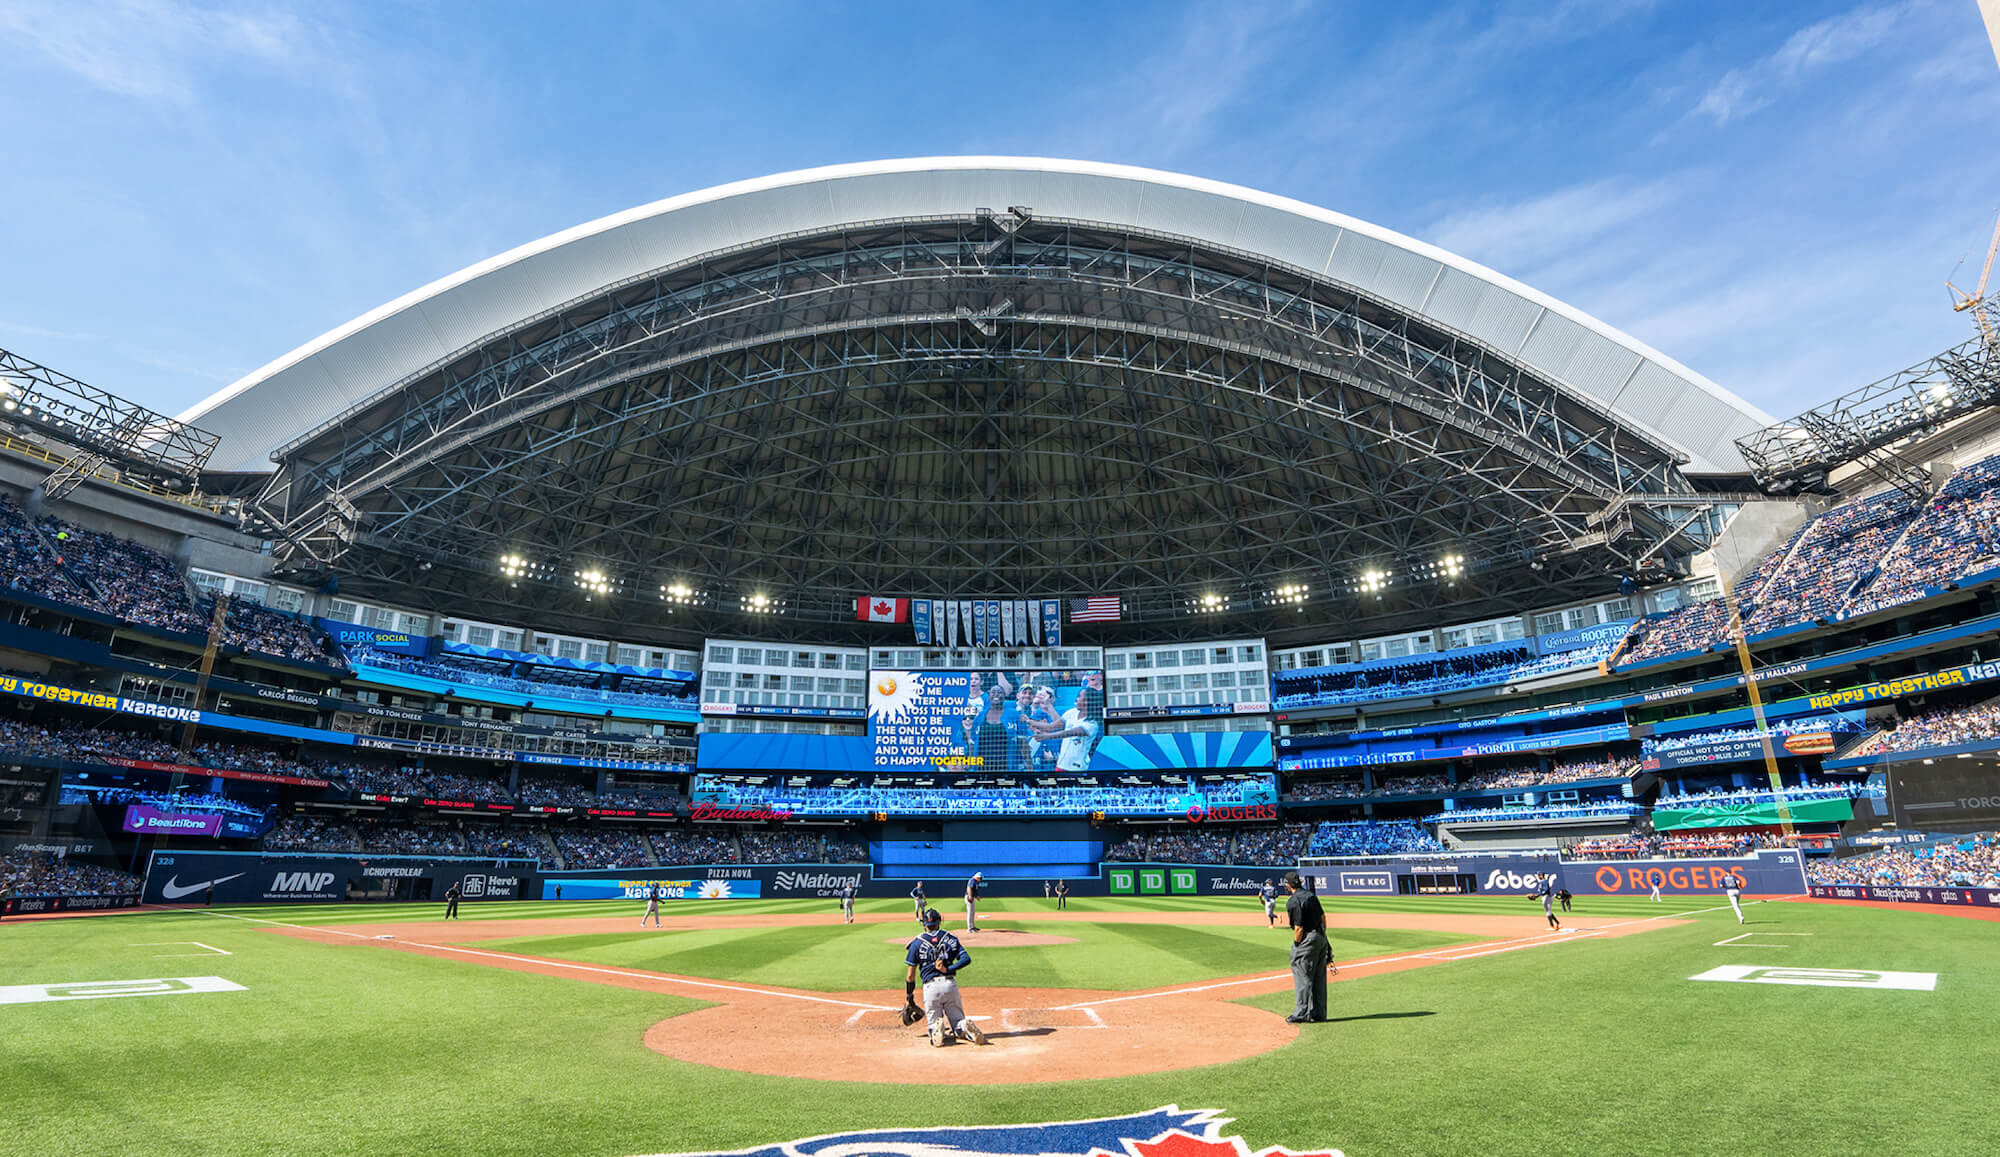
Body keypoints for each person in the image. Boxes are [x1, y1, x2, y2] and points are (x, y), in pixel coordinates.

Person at [903, 907, 986, 1046]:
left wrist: (909, 997)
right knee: (958, 1021)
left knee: (933, 1024)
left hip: (930, 988)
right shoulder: (950, 938)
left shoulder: (916, 943)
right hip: (950, 985)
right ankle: (963, 1026)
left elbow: (910, 976)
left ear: (924, 924)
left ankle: (937, 1029)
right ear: (940, 921)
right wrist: (948, 969)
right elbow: (966, 959)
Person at [1283, 871, 1328, 1023]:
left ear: (1288, 885)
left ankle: (1301, 1012)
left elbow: (1299, 928)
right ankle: (1319, 1012)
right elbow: (1323, 918)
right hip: (1320, 936)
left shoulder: (1293, 901)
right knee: (1319, 977)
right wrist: (1322, 936)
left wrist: (1297, 944)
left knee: (1302, 976)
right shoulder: (1311, 896)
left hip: (1307, 939)